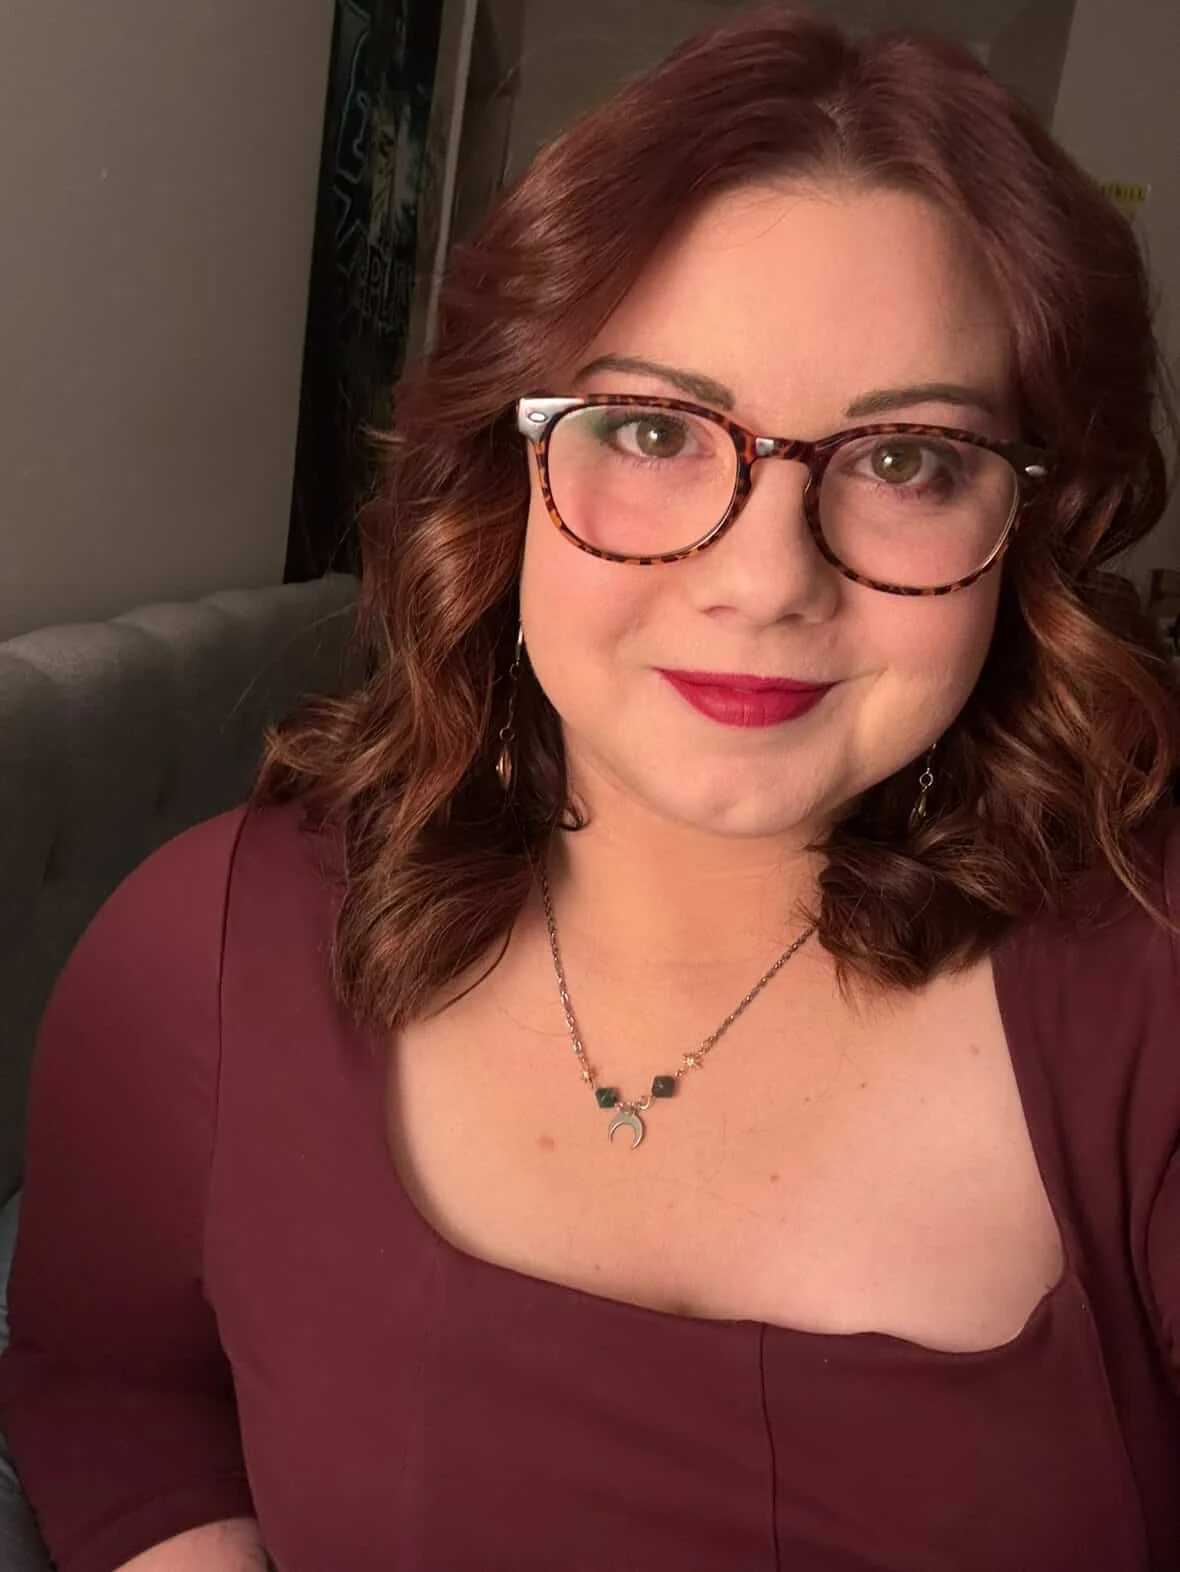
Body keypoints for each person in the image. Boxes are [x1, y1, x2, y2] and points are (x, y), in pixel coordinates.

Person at [1, 7, 1178, 1569]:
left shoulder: (1151, 986)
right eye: (648, 429)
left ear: (1026, 526)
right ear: (507, 477)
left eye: (904, 460)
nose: (766, 581)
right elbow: (109, 1381)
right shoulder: (203, 954)